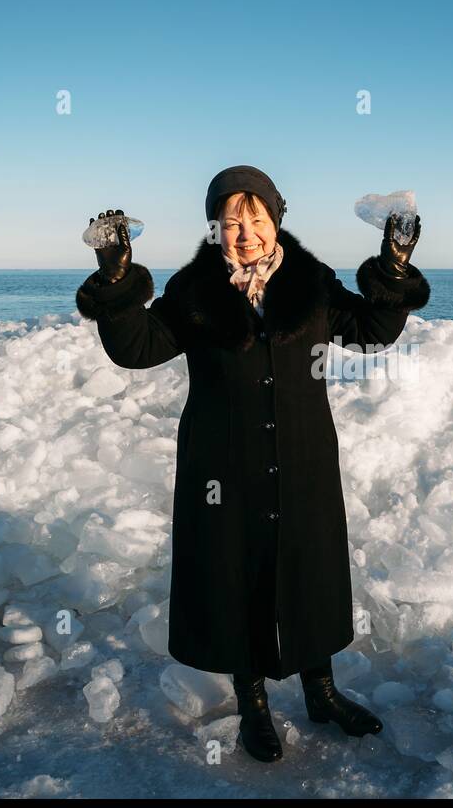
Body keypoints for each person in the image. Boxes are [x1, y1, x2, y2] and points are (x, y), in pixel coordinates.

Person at [75, 165, 430, 762]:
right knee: (236, 574)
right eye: (231, 221)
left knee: (308, 568)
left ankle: (322, 693)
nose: (245, 232)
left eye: (255, 217)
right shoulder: (193, 291)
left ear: (275, 218)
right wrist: (116, 281)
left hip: (304, 457)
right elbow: (138, 347)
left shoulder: (312, 282)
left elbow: (370, 332)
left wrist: (392, 269)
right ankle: (253, 706)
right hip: (223, 465)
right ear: (215, 227)